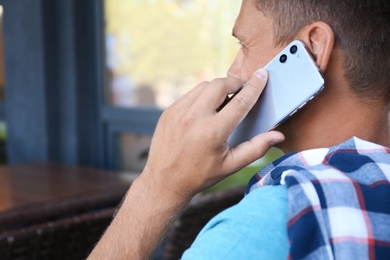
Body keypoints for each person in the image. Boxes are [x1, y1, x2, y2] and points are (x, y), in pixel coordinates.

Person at [89, 0, 390, 259]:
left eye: (243, 46)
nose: (234, 72)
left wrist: (158, 187)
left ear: (313, 48)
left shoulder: (268, 224)